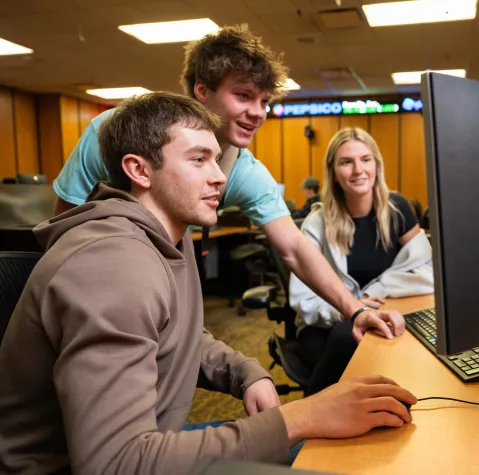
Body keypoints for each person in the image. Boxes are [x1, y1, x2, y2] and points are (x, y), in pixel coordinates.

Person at [0, 92, 417, 474]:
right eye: (199, 160)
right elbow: (117, 463)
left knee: (344, 448)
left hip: (150, 444)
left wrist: (245, 371)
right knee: (330, 455)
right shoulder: (112, 265)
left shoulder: (165, 237)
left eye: (217, 160)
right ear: (139, 170)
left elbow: (175, 335)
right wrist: (302, 416)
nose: (219, 176)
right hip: (99, 463)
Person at [52, 24, 405, 349]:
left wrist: (355, 310)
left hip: (158, 289)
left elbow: (294, 247)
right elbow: (63, 232)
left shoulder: (242, 170)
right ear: (202, 91)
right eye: (244, 96)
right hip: (91, 287)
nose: (259, 112)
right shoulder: (112, 133)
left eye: (264, 101)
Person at [290, 128, 434, 395]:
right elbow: (304, 301)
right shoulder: (316, 223)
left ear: (376, 165)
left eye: (366, 159)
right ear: (333, 172)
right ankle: (310, 422)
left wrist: (374, 292)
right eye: (346, 162)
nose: (358, 170)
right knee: (348, 338)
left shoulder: (397, 209)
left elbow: (428, 269)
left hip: (382, 310)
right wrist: (353, 308)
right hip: (323, 326)